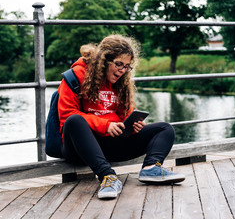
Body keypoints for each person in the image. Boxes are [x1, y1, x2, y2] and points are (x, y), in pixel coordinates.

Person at [57, 34, 185, 199]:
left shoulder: (121, 83)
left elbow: (125, 116)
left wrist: (133, 127)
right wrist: (105, 125)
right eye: (118, 64)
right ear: (103, 60)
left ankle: (150, 168)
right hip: (80, 148)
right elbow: (67, 115)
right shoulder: (75, 76)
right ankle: (107, 177)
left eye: (127, 66)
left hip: (111, 145)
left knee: (164, 129)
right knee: (74, 121)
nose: (123, 70)